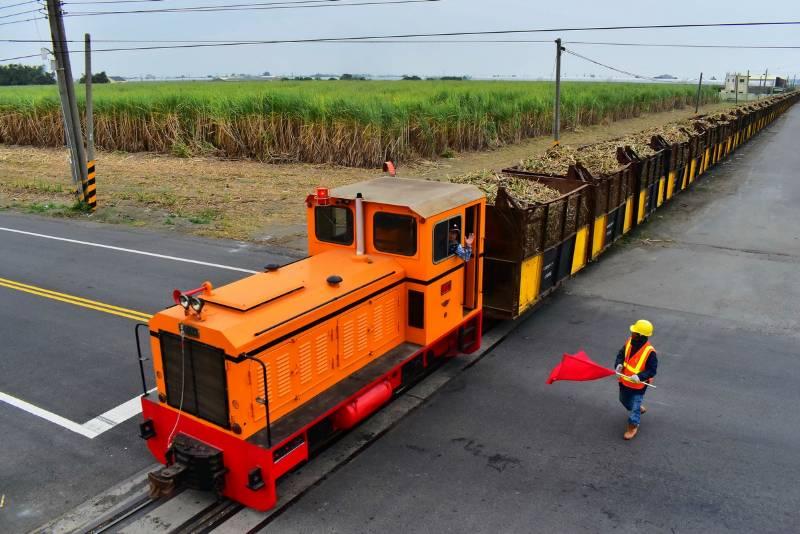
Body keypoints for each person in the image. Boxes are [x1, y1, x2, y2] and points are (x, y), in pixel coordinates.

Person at [614, 319, 658, 440]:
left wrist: (640, 376)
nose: (631, 334)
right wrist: (618, 365)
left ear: (641, 336)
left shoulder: (650, 352)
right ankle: (637, 409)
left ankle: (633, 426)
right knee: (623, 400)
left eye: (634, 333)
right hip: (624, 381)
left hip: (638, 386)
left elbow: (652, 370)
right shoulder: (629, 342)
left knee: (634, 407)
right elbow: (621, 354)